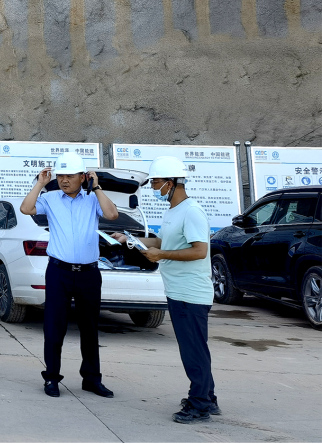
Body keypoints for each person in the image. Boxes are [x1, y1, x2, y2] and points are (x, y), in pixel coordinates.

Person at [113, 156, 219, 424]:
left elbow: (199, 251)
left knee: (193, 352)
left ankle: (199, 405)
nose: (153, 188)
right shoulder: (173, 210)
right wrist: (130, 239)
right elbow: (163, 241)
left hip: (190, 293)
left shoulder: (192, 211)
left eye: (155, 183)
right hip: (177, 290)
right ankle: (208, 397)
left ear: (170, 183)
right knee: (196, 348)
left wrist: (161, 255)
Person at [19, 151, 119, 399]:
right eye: (61, 175)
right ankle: (52, 378)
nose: (64, 180)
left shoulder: (92, 199)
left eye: (70, 176)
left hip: (88, 274)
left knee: (89, 328)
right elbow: (26, 208)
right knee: (54, 328)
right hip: (59, 272)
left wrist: (97, 187)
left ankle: (92, 379)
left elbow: (112, 214)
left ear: (82, 177)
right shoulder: (50, 198)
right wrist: (40, 183)